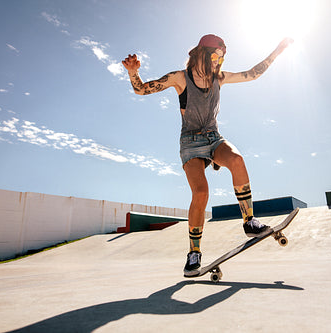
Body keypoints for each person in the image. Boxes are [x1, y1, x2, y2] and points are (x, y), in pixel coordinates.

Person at [122, 34, 293, 277]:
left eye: (221, 58)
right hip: (190, 144)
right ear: (203, 53)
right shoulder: (180, 77)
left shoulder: (219, 78)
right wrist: (132, 72)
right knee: (201, 193)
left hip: (214, 138)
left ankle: (249, 222)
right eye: (216, 56)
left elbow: (253, 73)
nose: (218, 63)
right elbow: (140, 90)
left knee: (237, 160)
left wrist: (278, 50)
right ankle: (194, 253)